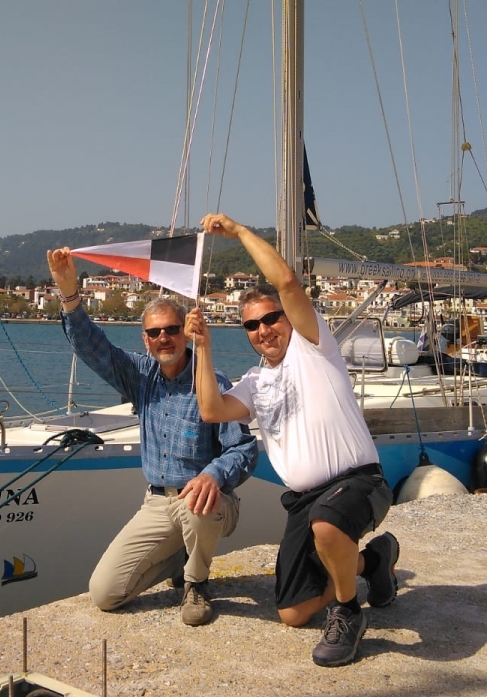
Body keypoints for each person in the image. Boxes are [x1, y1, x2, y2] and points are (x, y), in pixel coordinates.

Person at [185, 213, 398, 667]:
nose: (264, 329)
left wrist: (239, 232)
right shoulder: (254, 382)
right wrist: (202, 347)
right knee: (293, 613)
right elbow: (211, 410)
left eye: (271, 318)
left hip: (358, 482)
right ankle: (374, 563)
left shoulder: (312, 346)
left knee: (328, 523)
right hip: (305, 502)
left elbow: (285, 281)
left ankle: (347, 612)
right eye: (252, 325)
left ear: (287, 317)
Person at [46, 247, 258, 626]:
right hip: (159, 503)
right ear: (145, 340)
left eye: (172, 330)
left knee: (196, 501)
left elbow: (243, 448)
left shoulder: (211, 382)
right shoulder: (140, 376)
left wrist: (213, 475)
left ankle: (196, 583)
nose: (164, 338)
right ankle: (180, 559)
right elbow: (92, 347)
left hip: (209, 504)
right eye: (155, 332)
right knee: (105, 593)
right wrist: (69, 293)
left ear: (186, 334)